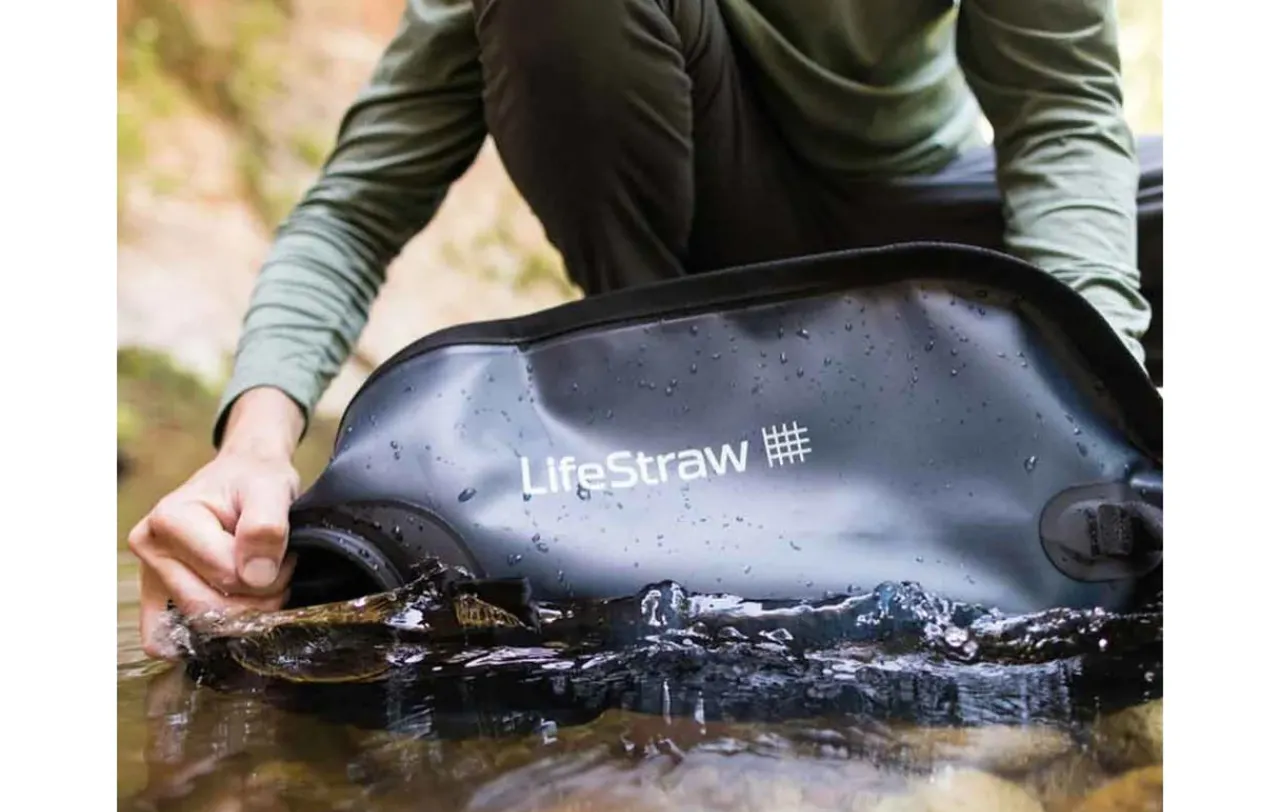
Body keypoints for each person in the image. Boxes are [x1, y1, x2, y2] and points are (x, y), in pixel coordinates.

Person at [129, 0, 1162, 657]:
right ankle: (658, 456)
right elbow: (356, 207)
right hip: (692, 268)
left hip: (922, 227)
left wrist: (1099, 401)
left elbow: (1061, 117)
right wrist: (251, 449)